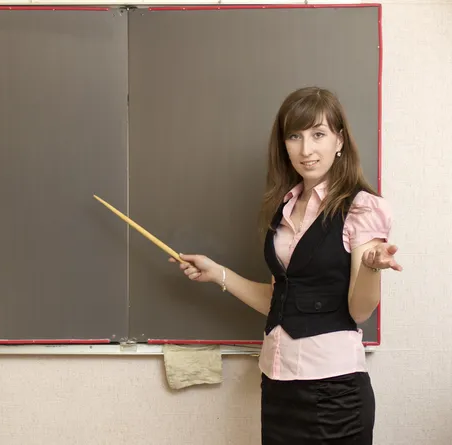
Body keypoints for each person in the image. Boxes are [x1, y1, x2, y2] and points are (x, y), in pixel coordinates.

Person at [170, 86, 402, 445]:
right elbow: (283, 300)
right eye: (294, 136)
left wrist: (371, 266)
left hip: (334, 393)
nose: (306, 149)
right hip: (277, 387)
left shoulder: (361, 208)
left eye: (318, 134)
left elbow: (358, 311)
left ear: (339, 140)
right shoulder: (285, 207)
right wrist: (218, 273)